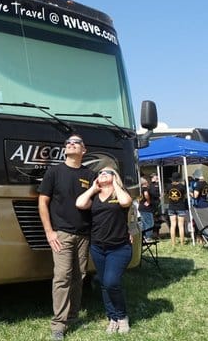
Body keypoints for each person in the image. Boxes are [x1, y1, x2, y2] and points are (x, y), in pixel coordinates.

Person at [38, 134, 95, 341]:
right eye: (68, 143)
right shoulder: (54, 172)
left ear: (84, 150)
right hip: (61, 233)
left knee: (79, 278)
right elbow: (43, 202)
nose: (70, 144)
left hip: (84, 235)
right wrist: (49, 232)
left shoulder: (90, 175)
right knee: (62, 277)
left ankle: (72, 317)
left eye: (76, 142)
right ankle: (58, 326)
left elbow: (96, 203)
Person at [75, 166, 133, 334]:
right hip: (98, 247)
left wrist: (115, 185)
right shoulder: (94, 196)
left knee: (111, 282)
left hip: (119, 247)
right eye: (100, 173)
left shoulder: (120, 194)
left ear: (115, 177)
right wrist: (93, 188)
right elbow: (79, 204)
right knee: (103, 283)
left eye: (108, 172)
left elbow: (126, 202)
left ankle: (122, 316)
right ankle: (112, 318)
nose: (102, 174)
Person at [166, 172, 188, 246]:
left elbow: (167, 195)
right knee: (181, 226)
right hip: (180, 207)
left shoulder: (168, 186)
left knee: (172, 225)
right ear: (179, 178)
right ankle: (182, 243)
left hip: (171, 207)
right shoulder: (182, 186)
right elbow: (185, 196)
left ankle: (173, 243)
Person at [138, 176, 154, 241]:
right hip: (146, 208)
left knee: (143, 222)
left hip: (141, 207)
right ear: (144, 183)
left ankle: (143, 236)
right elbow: (146, 194)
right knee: (149, 223)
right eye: (147, 181)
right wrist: (148, 201)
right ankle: (148, 237)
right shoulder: (145, 189)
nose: (148, 182)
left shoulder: (140, 189)